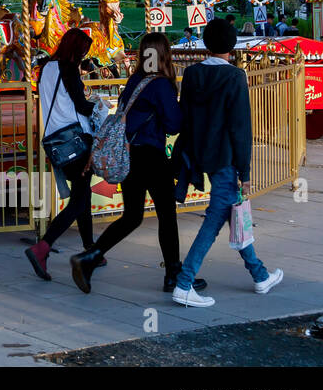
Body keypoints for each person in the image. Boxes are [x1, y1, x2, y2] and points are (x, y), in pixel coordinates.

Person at [69, 32, 206, 295]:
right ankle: (173, 274)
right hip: (150, 155)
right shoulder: (160, 84)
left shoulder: (135, 80)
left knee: (132, 215)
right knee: (166, 214)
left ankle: (90, 257)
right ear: (164, 54)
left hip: (130, 153)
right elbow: (174, 124)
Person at [169, 18, 284, 307]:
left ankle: (259, 275)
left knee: (232, 213)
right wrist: (244, 171)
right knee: (217, 217)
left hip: (199, 153)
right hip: (225, 157)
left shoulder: (193, 73)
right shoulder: (235, 77)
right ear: (232, 45)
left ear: (206, 44)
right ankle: (184, 283)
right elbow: (240, 128)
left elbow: (186, 115)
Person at [25, 28, 100, 282]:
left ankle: (92, 250)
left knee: (83, 194)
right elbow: (80, 105)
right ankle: (42, 247)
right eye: (82, 52)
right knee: (79, 201)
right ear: (74, 50)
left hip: (57, 140)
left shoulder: (46, 68)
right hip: (75, 139)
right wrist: (100, 106)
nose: (83, 57)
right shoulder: (68, 68)